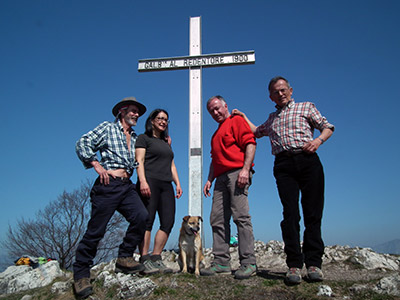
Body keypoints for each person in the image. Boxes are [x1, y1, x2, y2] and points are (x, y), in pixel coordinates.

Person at [232, 76, 335, 284]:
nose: (280, 94)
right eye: (275, 92)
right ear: (271, 97)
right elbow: (256, 131)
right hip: (283, 165)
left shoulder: (306, 107)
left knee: (313, 212)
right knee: (290, 214)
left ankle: (314, 264)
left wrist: (317, 141)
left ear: (290, 90)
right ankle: (294, 265)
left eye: (283, 90)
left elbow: (328, 127)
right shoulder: (271, 118)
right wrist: (243, 116)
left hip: (308, 160)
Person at [73, 97, 149, 298]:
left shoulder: (135, 137)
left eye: (138, 112)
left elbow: (142, 159)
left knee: (142, 216)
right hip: (108, 185)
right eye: (133, 111)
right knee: (96, 230)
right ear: (122, 111)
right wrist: (95, 164)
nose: (136, 115)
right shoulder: (108, 128)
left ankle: (124, 257)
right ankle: (81, 275)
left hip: (127, 185)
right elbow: (83, 142)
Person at [201, 95, 257, 280]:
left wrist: (245, 169)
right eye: (211, 111)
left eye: (217, 108)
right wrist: (209, 179)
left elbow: (250, 143)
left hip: (237, 173)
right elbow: (214, 159)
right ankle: (221, 262)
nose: (215, 112)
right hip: (220, 178)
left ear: (226, 106)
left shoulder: (236, 121)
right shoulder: (215, 134)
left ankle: (248, 262)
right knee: (216, 218)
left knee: (241, 217)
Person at [135, 109, 183, 274]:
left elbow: (172, 165)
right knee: (147, 221)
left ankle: (156, 258)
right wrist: (142, 181)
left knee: (168, 222)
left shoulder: (166, 142)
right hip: (149, 182)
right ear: (152, 120)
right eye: (160, 118)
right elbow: (139, 161)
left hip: (166, 185)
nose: (163, 121)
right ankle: (144, 258)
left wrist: (177, 183)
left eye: (166, 120)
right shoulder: (143, 138)